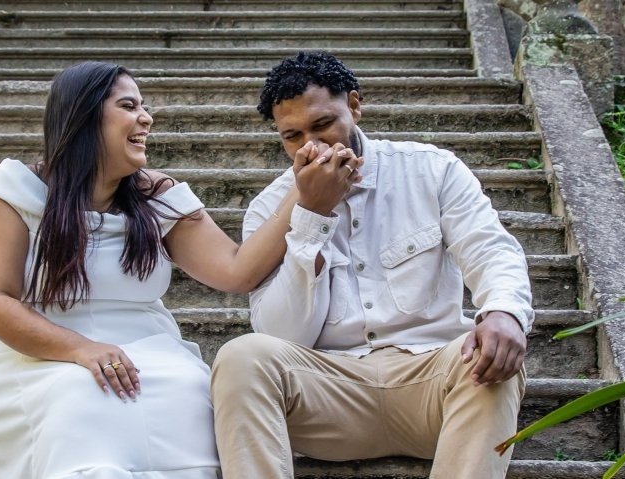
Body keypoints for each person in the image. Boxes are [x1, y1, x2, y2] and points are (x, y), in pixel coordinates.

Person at [0, 61, 363, 478]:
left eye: (144, 107)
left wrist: (304, 191)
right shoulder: (14, 190)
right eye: (129, 106)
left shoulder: (156, 196)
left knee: (189, 391)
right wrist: (81, 349)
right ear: (84, 115)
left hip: (149, 353)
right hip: (37, 358)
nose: (146, 118)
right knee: (80, 394)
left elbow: (237, 271)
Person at [210, 51, 534, 479]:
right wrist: (311, 216)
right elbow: (281, 335)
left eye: (323, 124)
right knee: (241, 356)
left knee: (488, 356)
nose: (312, 145)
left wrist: (504, 312)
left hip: (433, 382)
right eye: (292, 135)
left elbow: (489, 248)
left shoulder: (432, 170)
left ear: (354, 105)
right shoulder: (268, 209)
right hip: (328, 396)